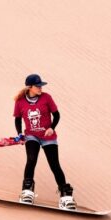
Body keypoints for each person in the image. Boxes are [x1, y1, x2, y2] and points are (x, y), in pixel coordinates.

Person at [13, 73, 75, 209]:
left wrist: (52, 128)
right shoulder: (20, 101)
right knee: (31, 160)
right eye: (38, 86)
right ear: (30, 87)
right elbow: (17, 118)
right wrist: (19, 134)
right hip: (31, 136)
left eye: (41, 85)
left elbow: (57, 115)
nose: (40, 88)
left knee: (54, 164)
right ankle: (27, 191)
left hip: (48, 137)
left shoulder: (47, 98)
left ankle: (65, 196)